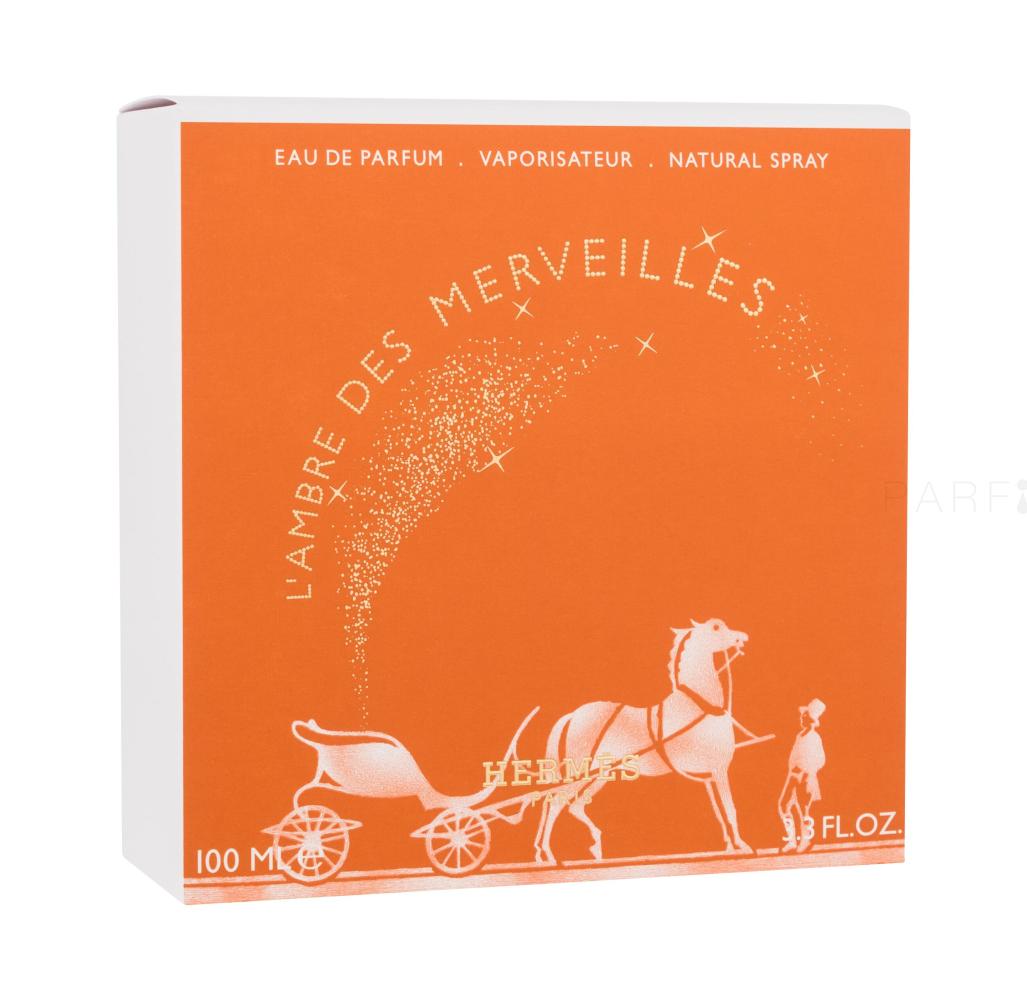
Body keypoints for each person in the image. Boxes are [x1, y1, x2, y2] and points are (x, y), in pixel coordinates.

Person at [778, 698, 826, 854]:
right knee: (784, 805)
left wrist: (807, 772)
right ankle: (791, 841)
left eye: (805, 716)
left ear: (811, 720)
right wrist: (792, 770)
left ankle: (806, 840)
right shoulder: (799, 736)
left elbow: (821, 759)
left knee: (803, 809)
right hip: (793, 776)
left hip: (805, 777)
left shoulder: (814, 737)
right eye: (802, 715)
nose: (802, 718)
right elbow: (794, 756)